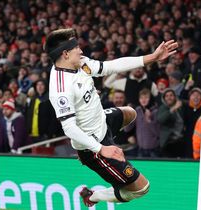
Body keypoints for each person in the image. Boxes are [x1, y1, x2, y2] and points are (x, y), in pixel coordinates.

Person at [44, 28, 178, 206]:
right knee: (142, 188)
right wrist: (101, 149)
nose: (81, 51)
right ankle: (93, 196)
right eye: (77, 48)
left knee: (130, 113)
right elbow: (69, 128)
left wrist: (151, 57)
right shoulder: (60, 88)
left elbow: (109, 67)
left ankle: (102, 149)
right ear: (66, 53)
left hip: (102, 121)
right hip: (95, 146)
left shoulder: (80, 63)